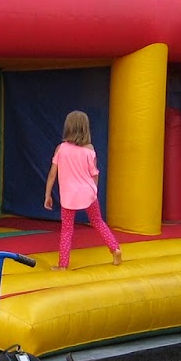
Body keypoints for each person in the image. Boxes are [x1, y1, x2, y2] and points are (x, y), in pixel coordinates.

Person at [43, 110, 121, 270]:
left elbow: (52, 174)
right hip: (88, 193)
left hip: (69, 196)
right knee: (98, 222)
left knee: (67, 229)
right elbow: (95, 174)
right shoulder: (89, 149)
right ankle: (115, 249)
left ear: (68, 128)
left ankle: (63, 265)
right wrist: (94, 192)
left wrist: (47, 195)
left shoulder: (61, 149)